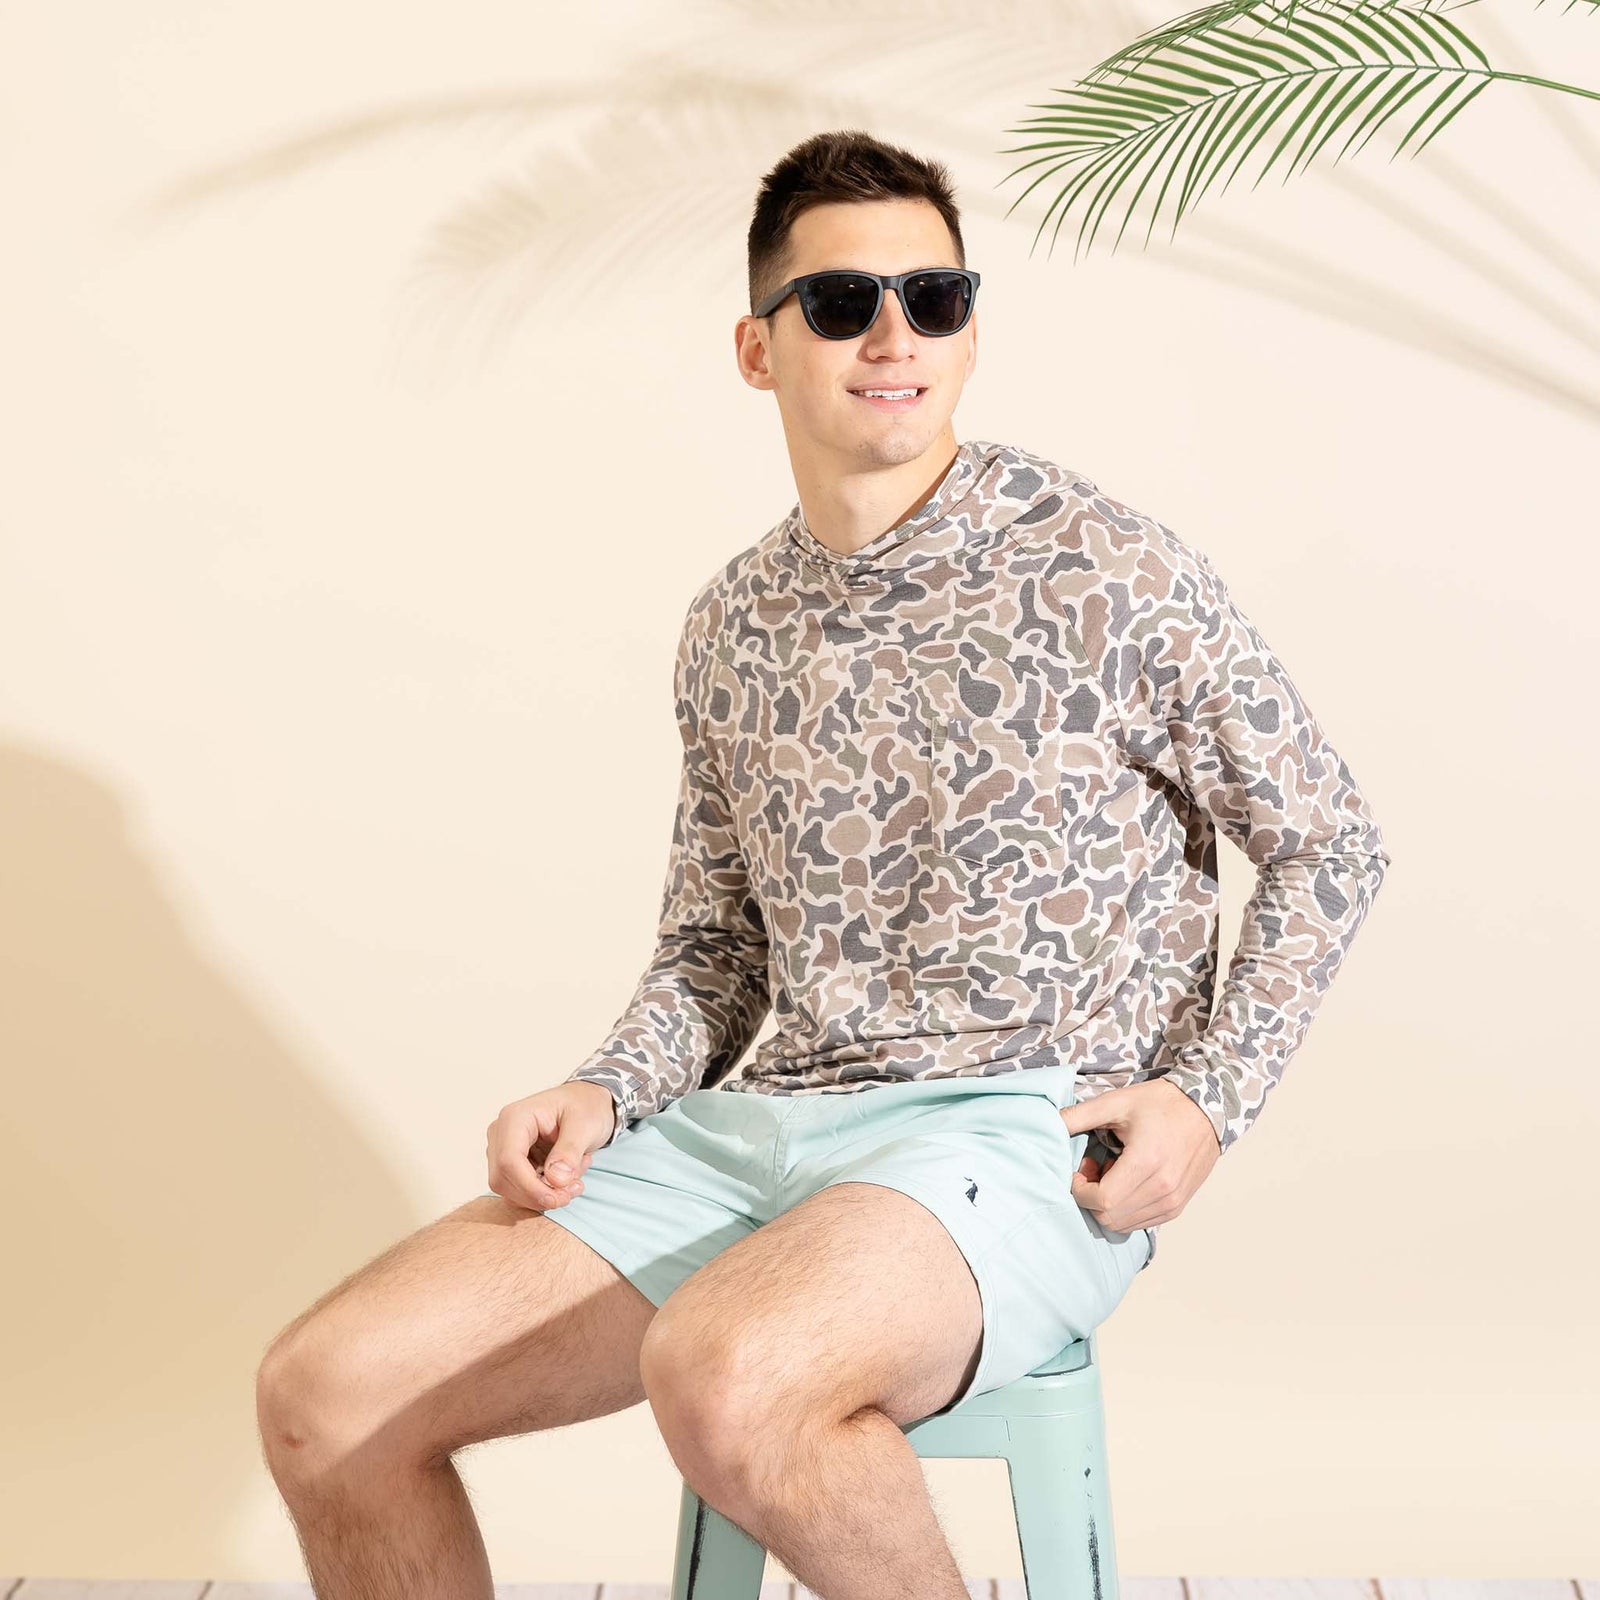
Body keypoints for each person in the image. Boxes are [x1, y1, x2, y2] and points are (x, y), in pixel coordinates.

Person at [256, 128, 1391, 1600]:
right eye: (845, 304)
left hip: (1022, 1139)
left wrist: (1209, 1101)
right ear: (758, 345)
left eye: (936, 296)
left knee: (726, 1376)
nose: (895, 337)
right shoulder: (734, 624)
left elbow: (1329, 842)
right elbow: (717, 949)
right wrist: (606, 1084)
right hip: (774, 1132)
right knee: (326, 1392)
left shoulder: (1111, 571)